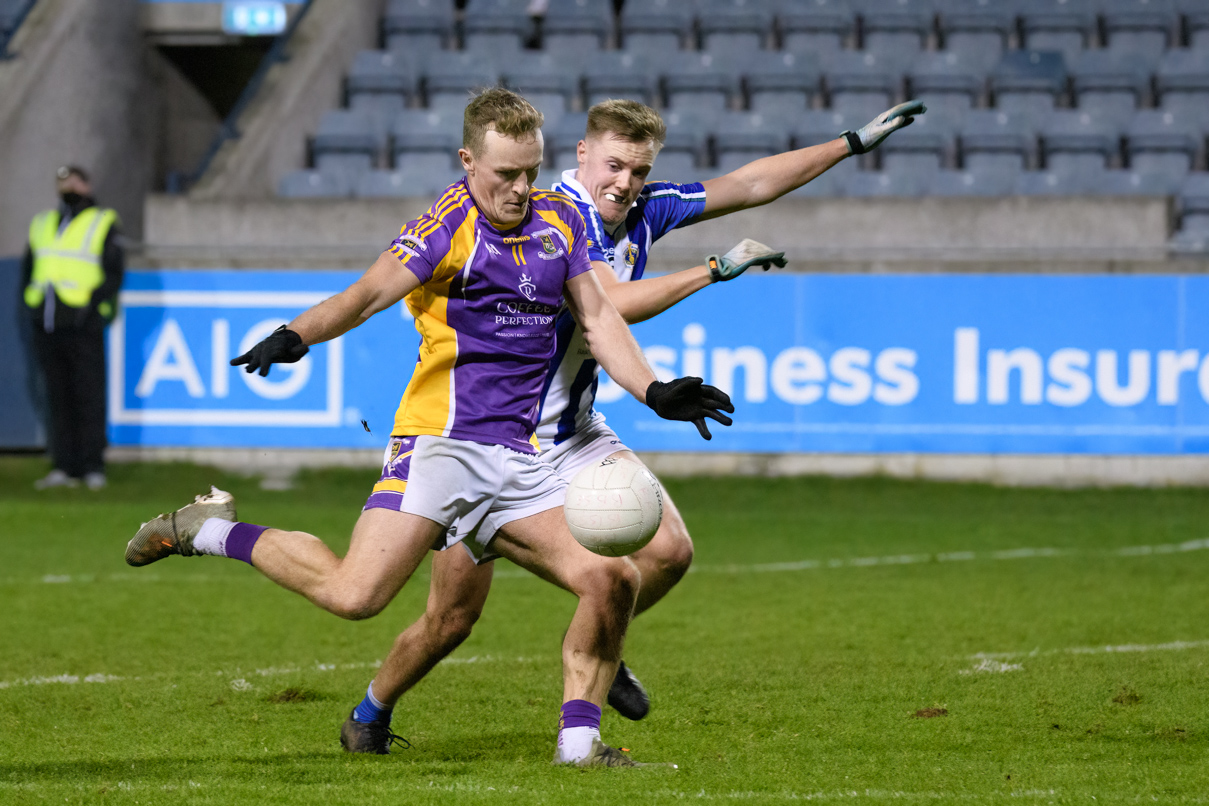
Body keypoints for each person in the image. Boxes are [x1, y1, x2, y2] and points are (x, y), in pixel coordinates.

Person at [123, 88, 733, 767]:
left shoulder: (562, 221)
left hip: (520, 458)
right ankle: (204, 528)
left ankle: (579, 747)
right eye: (505, 174)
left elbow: (597, 319)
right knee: (356, 596)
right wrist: (296, 335)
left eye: (530, 171)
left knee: (613, 580)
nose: (520, 188)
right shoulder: (446, 226)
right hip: (438, 448)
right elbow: (363, 296)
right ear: (468, 161)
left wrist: (651, 389)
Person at [352, 98, 927, 745]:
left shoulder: (645, 208)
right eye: (613, 165)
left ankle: (597, 654)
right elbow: (613, 305)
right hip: (491, 442)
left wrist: (848, 143)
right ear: (581, 156)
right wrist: (713, 270)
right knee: (449, 621)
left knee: (669, 551)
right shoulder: (556, 219)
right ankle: (369, 715)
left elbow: (748, 184)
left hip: (570, 434)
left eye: (637, 169)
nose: (623, 182)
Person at [22, 165, 124, 491]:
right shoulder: (43, 223)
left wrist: (91, 307)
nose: (70, 186)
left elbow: (112, 271)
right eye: (64, 181)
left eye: (75, 180)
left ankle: (93, 465)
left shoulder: (101, 221)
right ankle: (64, 465)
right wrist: (32, 308)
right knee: (57, 396)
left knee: (88, 394)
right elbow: (30, 269)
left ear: (87, 184)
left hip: (82, 324)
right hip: (48, 323)